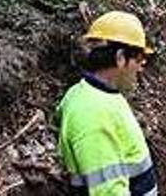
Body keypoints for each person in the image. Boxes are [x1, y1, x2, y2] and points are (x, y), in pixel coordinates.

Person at [56, 11, 157, 195]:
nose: (141, 67)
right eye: (139, 59)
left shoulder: (95, 95)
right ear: (120, 58)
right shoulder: (93, 115)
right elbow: (108, 190)